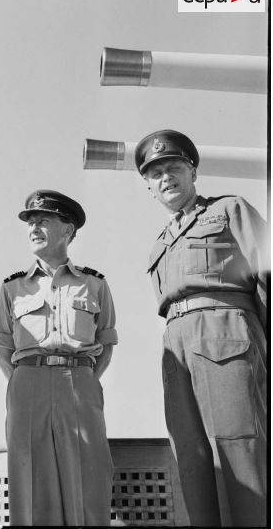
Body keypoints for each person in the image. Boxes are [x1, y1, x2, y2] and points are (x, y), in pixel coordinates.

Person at [136, 129, 268, 527]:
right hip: (176, 348)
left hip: (225, 332)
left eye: (174, 167)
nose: (166, 177)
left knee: (239, 448)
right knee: (191, 458)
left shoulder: (230, 210)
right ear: (149, 189)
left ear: (193, 172)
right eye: (156, 174)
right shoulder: (159, 242)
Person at [0, 189, 118, 526]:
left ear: (68, 230)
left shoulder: (95, 284)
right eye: (31, 222)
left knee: (89, 476)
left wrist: (82, 377)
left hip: (80, 381)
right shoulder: (12, 288)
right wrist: (29, 379)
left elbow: (106, 343)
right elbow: (4, 349)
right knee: (30, 476)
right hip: (28, 382)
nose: (34, 227)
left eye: (43, 221)